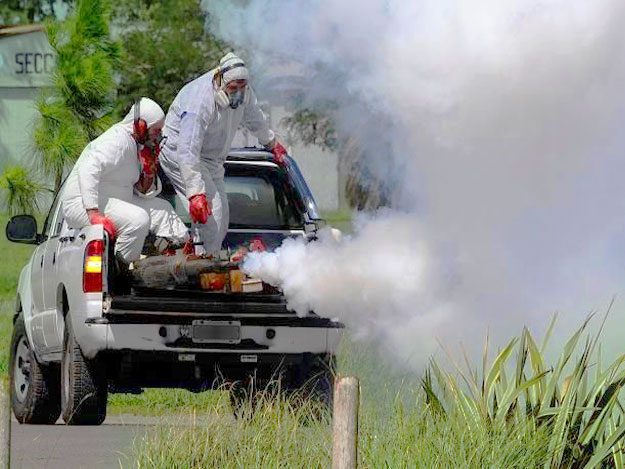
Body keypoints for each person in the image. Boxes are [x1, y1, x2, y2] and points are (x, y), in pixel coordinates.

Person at [159, 52, 287, 255]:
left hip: (211, 159)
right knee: (212, 213)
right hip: (179, 154)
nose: (237, 93)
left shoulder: (245, 92)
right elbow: (187, 150)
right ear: (219, 80)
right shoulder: (200, 100)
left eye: (241, 87)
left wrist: (272, 143)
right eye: (233, 88)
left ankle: (203, 259)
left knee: (221, 217)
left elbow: (256, 119)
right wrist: (195, 193)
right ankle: (203, 265)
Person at [62, 97, 189, 265]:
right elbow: (88, 168)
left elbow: (138, 190)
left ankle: (179, 258)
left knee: (163, 210)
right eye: (156, 130)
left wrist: (149, 174)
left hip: (113, 199)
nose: (158, 135)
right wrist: (93, 214)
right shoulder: (117, 140)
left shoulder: (135, 146)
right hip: (80, 205)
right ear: (141, 125)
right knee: (138, 219)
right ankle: (120, 271)